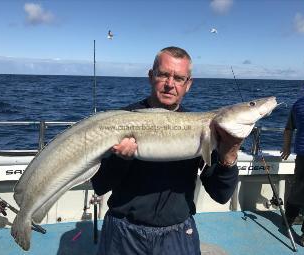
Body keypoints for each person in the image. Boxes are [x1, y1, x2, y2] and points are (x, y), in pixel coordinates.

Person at [91, 46, 242, 255]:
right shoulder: (121, 120)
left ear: (188, 84)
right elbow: (99, 186)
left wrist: (229, 155)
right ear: (151, 76)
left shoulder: (202, 128)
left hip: (178, 234)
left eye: (179, 78)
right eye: (163, 75)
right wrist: (121, 159)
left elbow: (221, 194)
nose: (170, 84)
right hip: (124, 230)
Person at [281, 80, 304, 248]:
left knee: (299, 187)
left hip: (302, 155)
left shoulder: (299, 104)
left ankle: (289, 219)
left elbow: (288, 129)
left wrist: (286, 148)